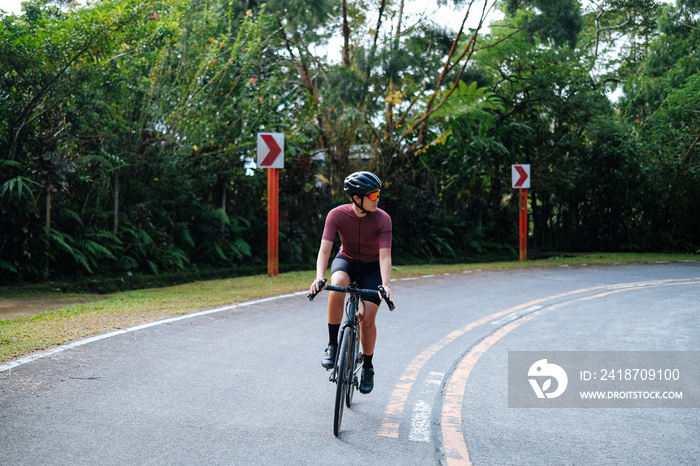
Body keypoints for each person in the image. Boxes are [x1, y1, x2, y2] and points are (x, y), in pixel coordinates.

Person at [309, 171, 393, 394]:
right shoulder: (336, 215)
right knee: (336, 285)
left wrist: (386, 284)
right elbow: (325, 249)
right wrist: (319, 277)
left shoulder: (383, 219)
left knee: (367, 318)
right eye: (373, 195)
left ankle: (367, 366)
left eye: (377, 194)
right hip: (346, 261)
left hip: (372, 268)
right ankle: (333, 345)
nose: (377, 199)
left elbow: (385, 256)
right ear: (357, 198)